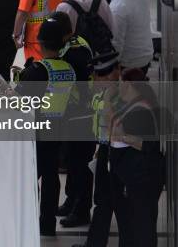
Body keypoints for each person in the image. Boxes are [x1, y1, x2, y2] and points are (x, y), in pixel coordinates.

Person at [15, 17, 77, 236]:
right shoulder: (69, 69)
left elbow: (18, 102)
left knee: (31, 178)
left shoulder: (38, 71)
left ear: (40, 43)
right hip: (57, 130)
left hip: (36, 133)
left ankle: (29, 221)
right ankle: (48, 224)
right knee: (51, 178)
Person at [108, 67, 164, 247]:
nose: (119, 87)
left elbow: (147, 144)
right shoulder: (136, 105)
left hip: (142, 178)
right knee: (137, 223)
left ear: (130, 85)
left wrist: (122, 137)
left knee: (141, 226)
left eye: (121, 83)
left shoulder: (141, 110)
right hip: (139, 177)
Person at [50, 12, 96, 228]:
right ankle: (71, 201)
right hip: (76, 113)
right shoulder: (77, 43)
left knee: (80, 165)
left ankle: (82, 210)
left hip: (81, 115)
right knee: (72, 161)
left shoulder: (72, 54)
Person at [71, 51, 121, 247]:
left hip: (118, 154)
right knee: (102, 202)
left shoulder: (118, 94)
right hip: (105, 150)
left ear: (113, 74)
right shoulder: (104, 92)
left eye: (99, 76)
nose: (94, 80)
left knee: (117, 204)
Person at [107, 0, 153, 75]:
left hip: (129, 63)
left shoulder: (117, 7)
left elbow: (117, 42)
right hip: (146, 55)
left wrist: (112, 67)